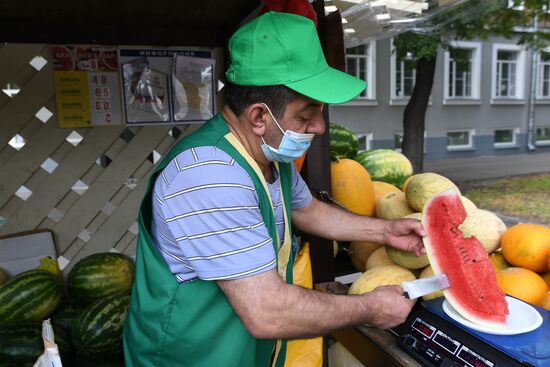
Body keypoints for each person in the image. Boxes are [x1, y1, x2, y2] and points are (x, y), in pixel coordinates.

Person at [123, 11, 426, 367]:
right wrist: (372, 308)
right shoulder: (209, 176)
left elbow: (307, 210)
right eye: (306, 114)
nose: (319, 127)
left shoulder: (265, 154)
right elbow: (267, 312)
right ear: (258, 117)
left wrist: (386, 230)